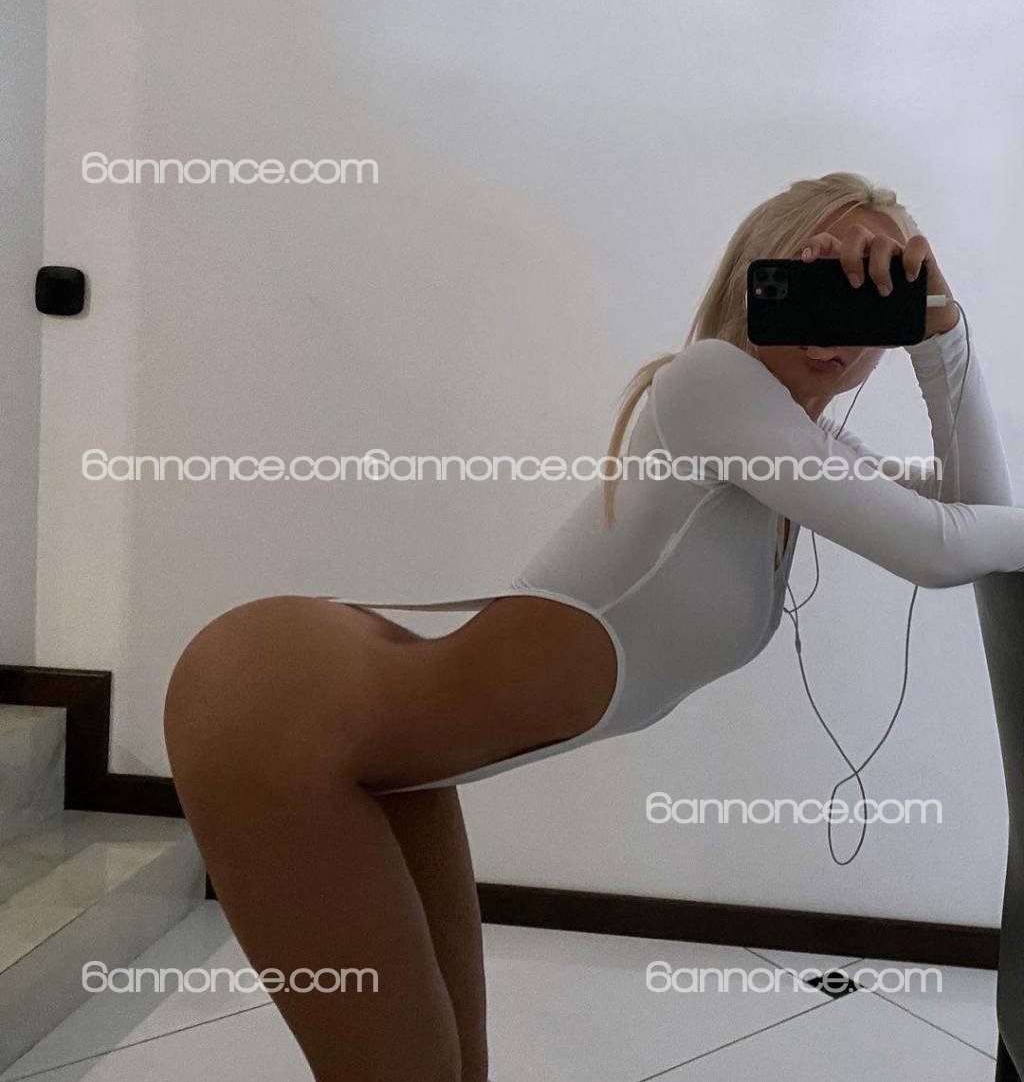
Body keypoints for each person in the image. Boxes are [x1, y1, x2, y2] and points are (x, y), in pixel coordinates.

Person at [163, 171, 1024, 1082]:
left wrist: (943, 331)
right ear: (757, 278)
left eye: (870, 295)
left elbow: (975, 516)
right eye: (817, 278)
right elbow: (940, 548)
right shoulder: (711, 384)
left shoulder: (800, 445)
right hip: (277, 709)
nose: (833, 328)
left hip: (389, 750)